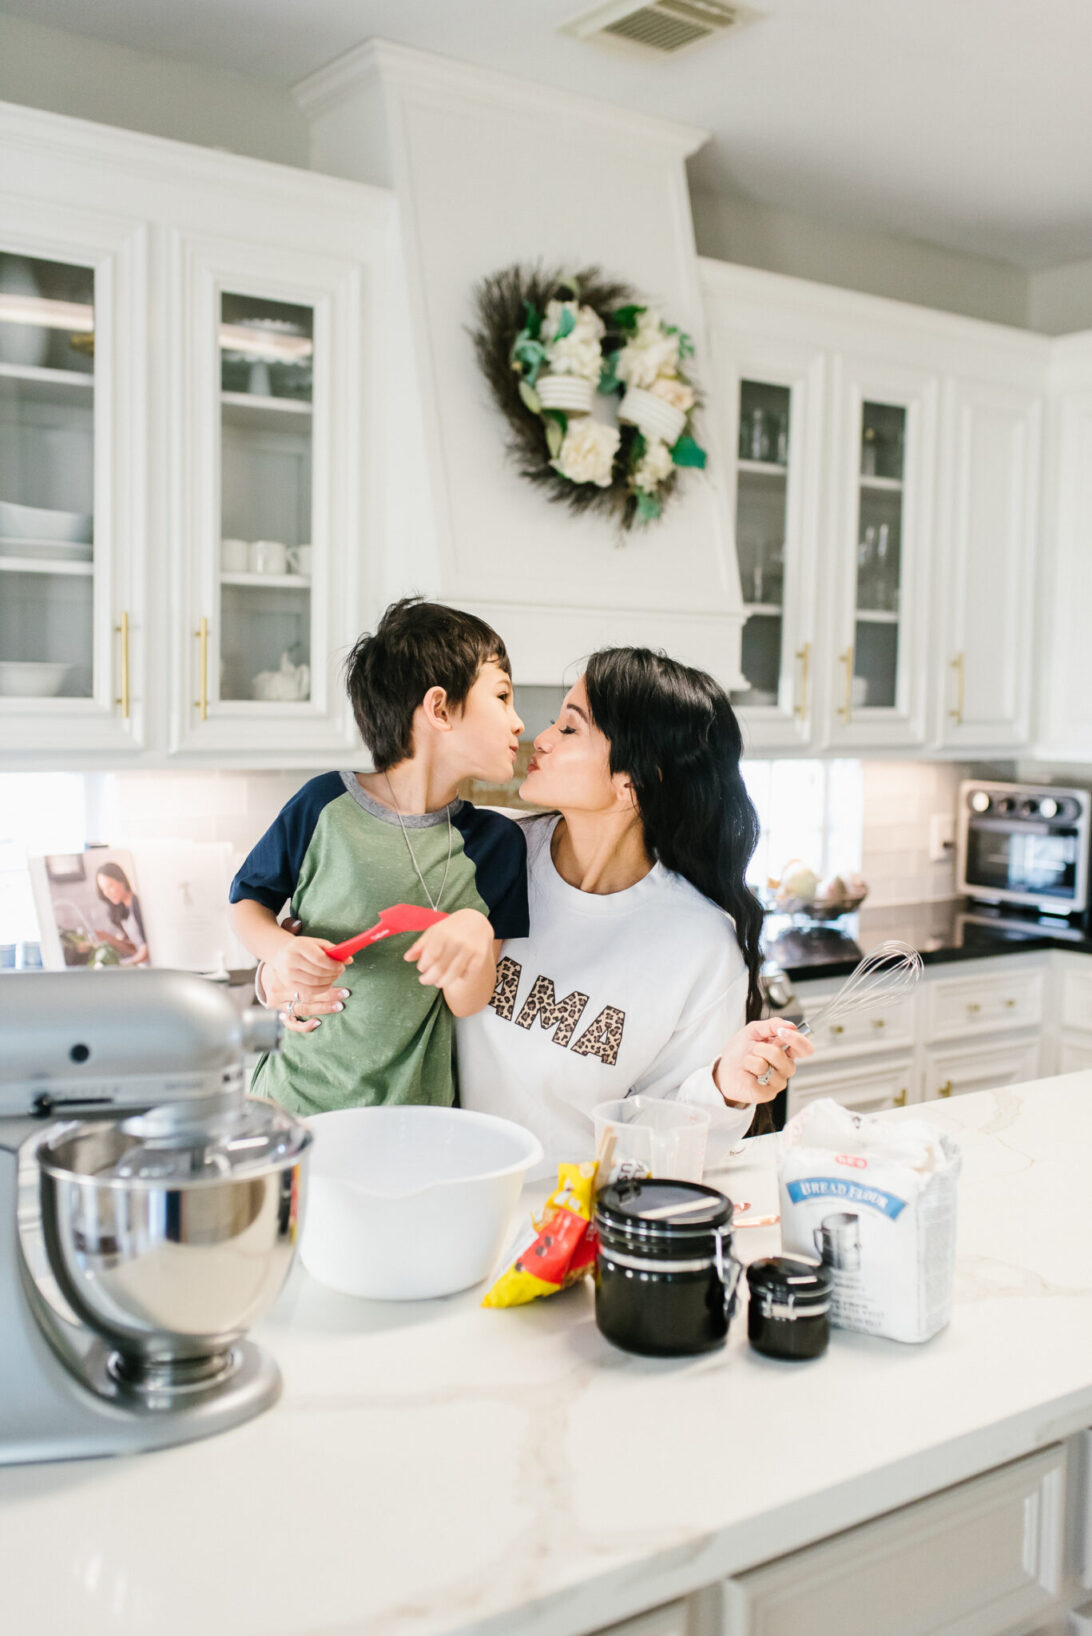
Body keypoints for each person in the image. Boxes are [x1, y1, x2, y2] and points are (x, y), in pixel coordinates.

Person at [268, 645, 812, 1163]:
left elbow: (675, 1133)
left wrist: (728, 1087)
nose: (541, 737)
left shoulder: (699, 943)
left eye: (570, 727)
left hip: (564, 1219)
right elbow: (343, 929)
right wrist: (280, 977)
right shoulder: (482, 854)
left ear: (632, 782)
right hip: (432, 1183)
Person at [228, 599, 529, 1117]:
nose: (518, 723)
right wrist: (278, 950)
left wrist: (476, 936)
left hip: (412, 1118)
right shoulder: (324, 804)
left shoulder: (496, 842)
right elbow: (247, 902)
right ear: (439, 709)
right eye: (502, 696)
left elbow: (467, 1002)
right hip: (291, 1104)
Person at [94, 861, 150, 966]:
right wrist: (109, 939)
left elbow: (147, 952)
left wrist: (120, 964)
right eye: (103, 889)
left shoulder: (138, 904)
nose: (107, 893)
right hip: (142, 966)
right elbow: (134, 949)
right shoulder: (122, 908)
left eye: (110, 886)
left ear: (122, 881)